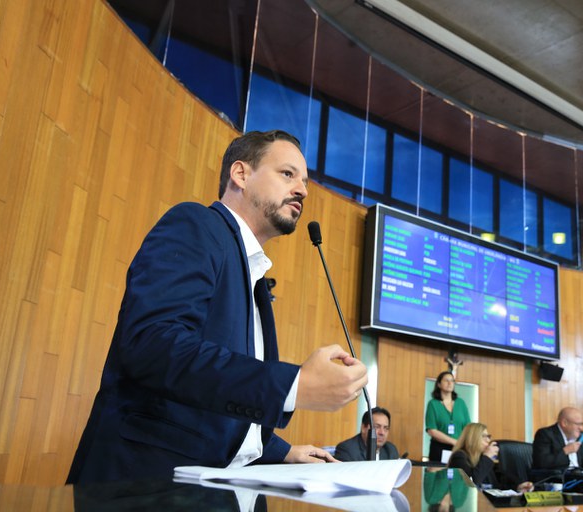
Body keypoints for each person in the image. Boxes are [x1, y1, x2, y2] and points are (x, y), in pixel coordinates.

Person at [67, 130, 369, 484]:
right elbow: (153, 345)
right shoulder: (196, 225)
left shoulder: (253, 275)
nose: (302, 190)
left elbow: (215, 400)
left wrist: (280, 451)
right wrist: (292, 386)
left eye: (304, 182)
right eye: (288, 174)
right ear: (240, 174)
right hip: (146, 488)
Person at [448, 423, 534, 492]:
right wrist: (487, 457)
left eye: (488, 436)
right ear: (472, 438)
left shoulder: (482, 458)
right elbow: (471, 483)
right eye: (484, 436)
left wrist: (517, 486)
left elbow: (498, 485)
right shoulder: (459, 457)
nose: (488, 440)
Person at [426, 371, 471, 462]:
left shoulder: (461, 403)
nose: (450, 383)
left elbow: (468, 427)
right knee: (439, 471)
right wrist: (454, 442)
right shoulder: (433, 404)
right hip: (439, 448)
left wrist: (463, 443)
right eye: (446, 380)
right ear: (439, 384)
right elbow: (432, 430)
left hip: (459, 448)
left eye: (452, 381)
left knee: (459, 470)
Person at [335, 407, 399, 461]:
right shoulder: (347, 450)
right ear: (363, 428)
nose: (382, 432)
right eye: (377, 427)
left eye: (386, 428)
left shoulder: (390, 450)